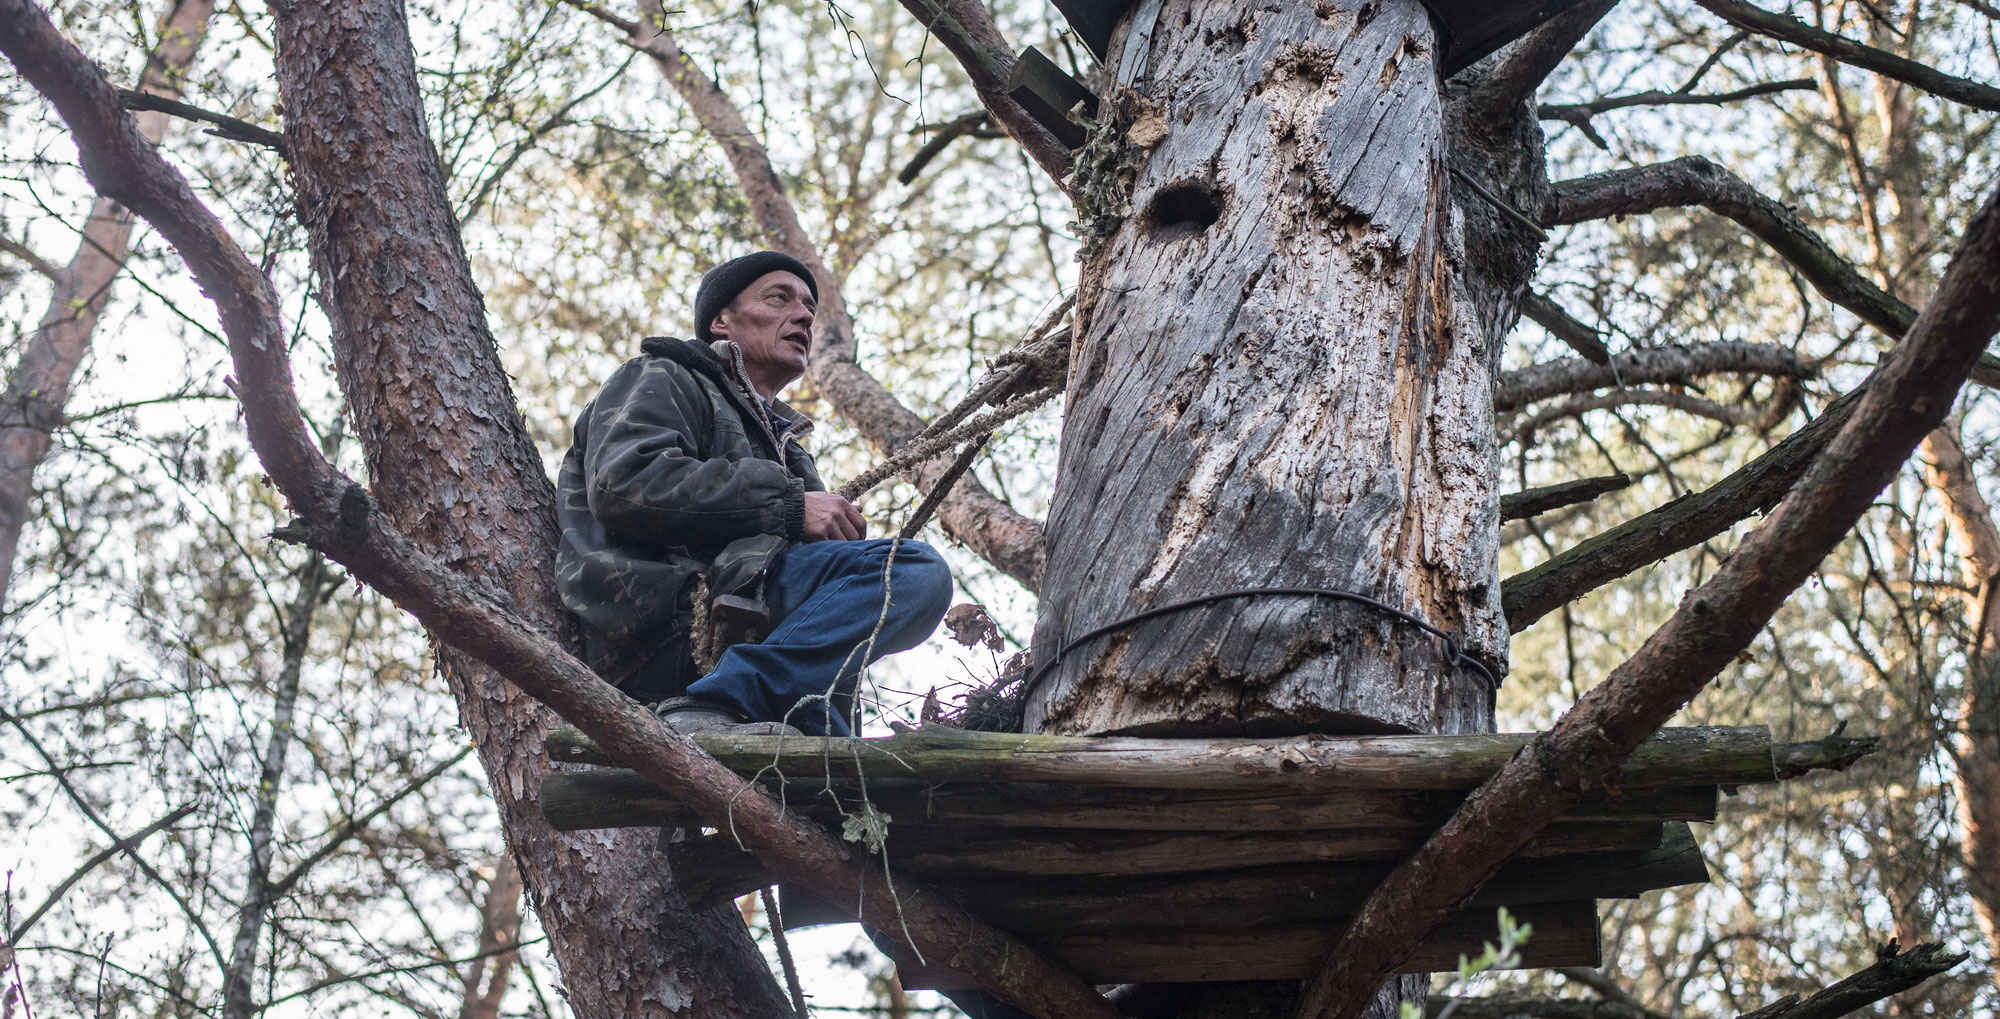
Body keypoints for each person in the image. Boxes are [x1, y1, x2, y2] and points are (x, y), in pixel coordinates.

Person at [554, 250, 954, 737]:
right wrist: (789, 508)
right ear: (721, 320)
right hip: (672, 623)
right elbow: (625, 482)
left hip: (751, 629)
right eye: (779, 298)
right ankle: (724, 701)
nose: (804, 314)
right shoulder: (665, 375)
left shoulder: (790, 451)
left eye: (809, 305)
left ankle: (767, 724)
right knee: (911, 572)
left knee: (853, 785)